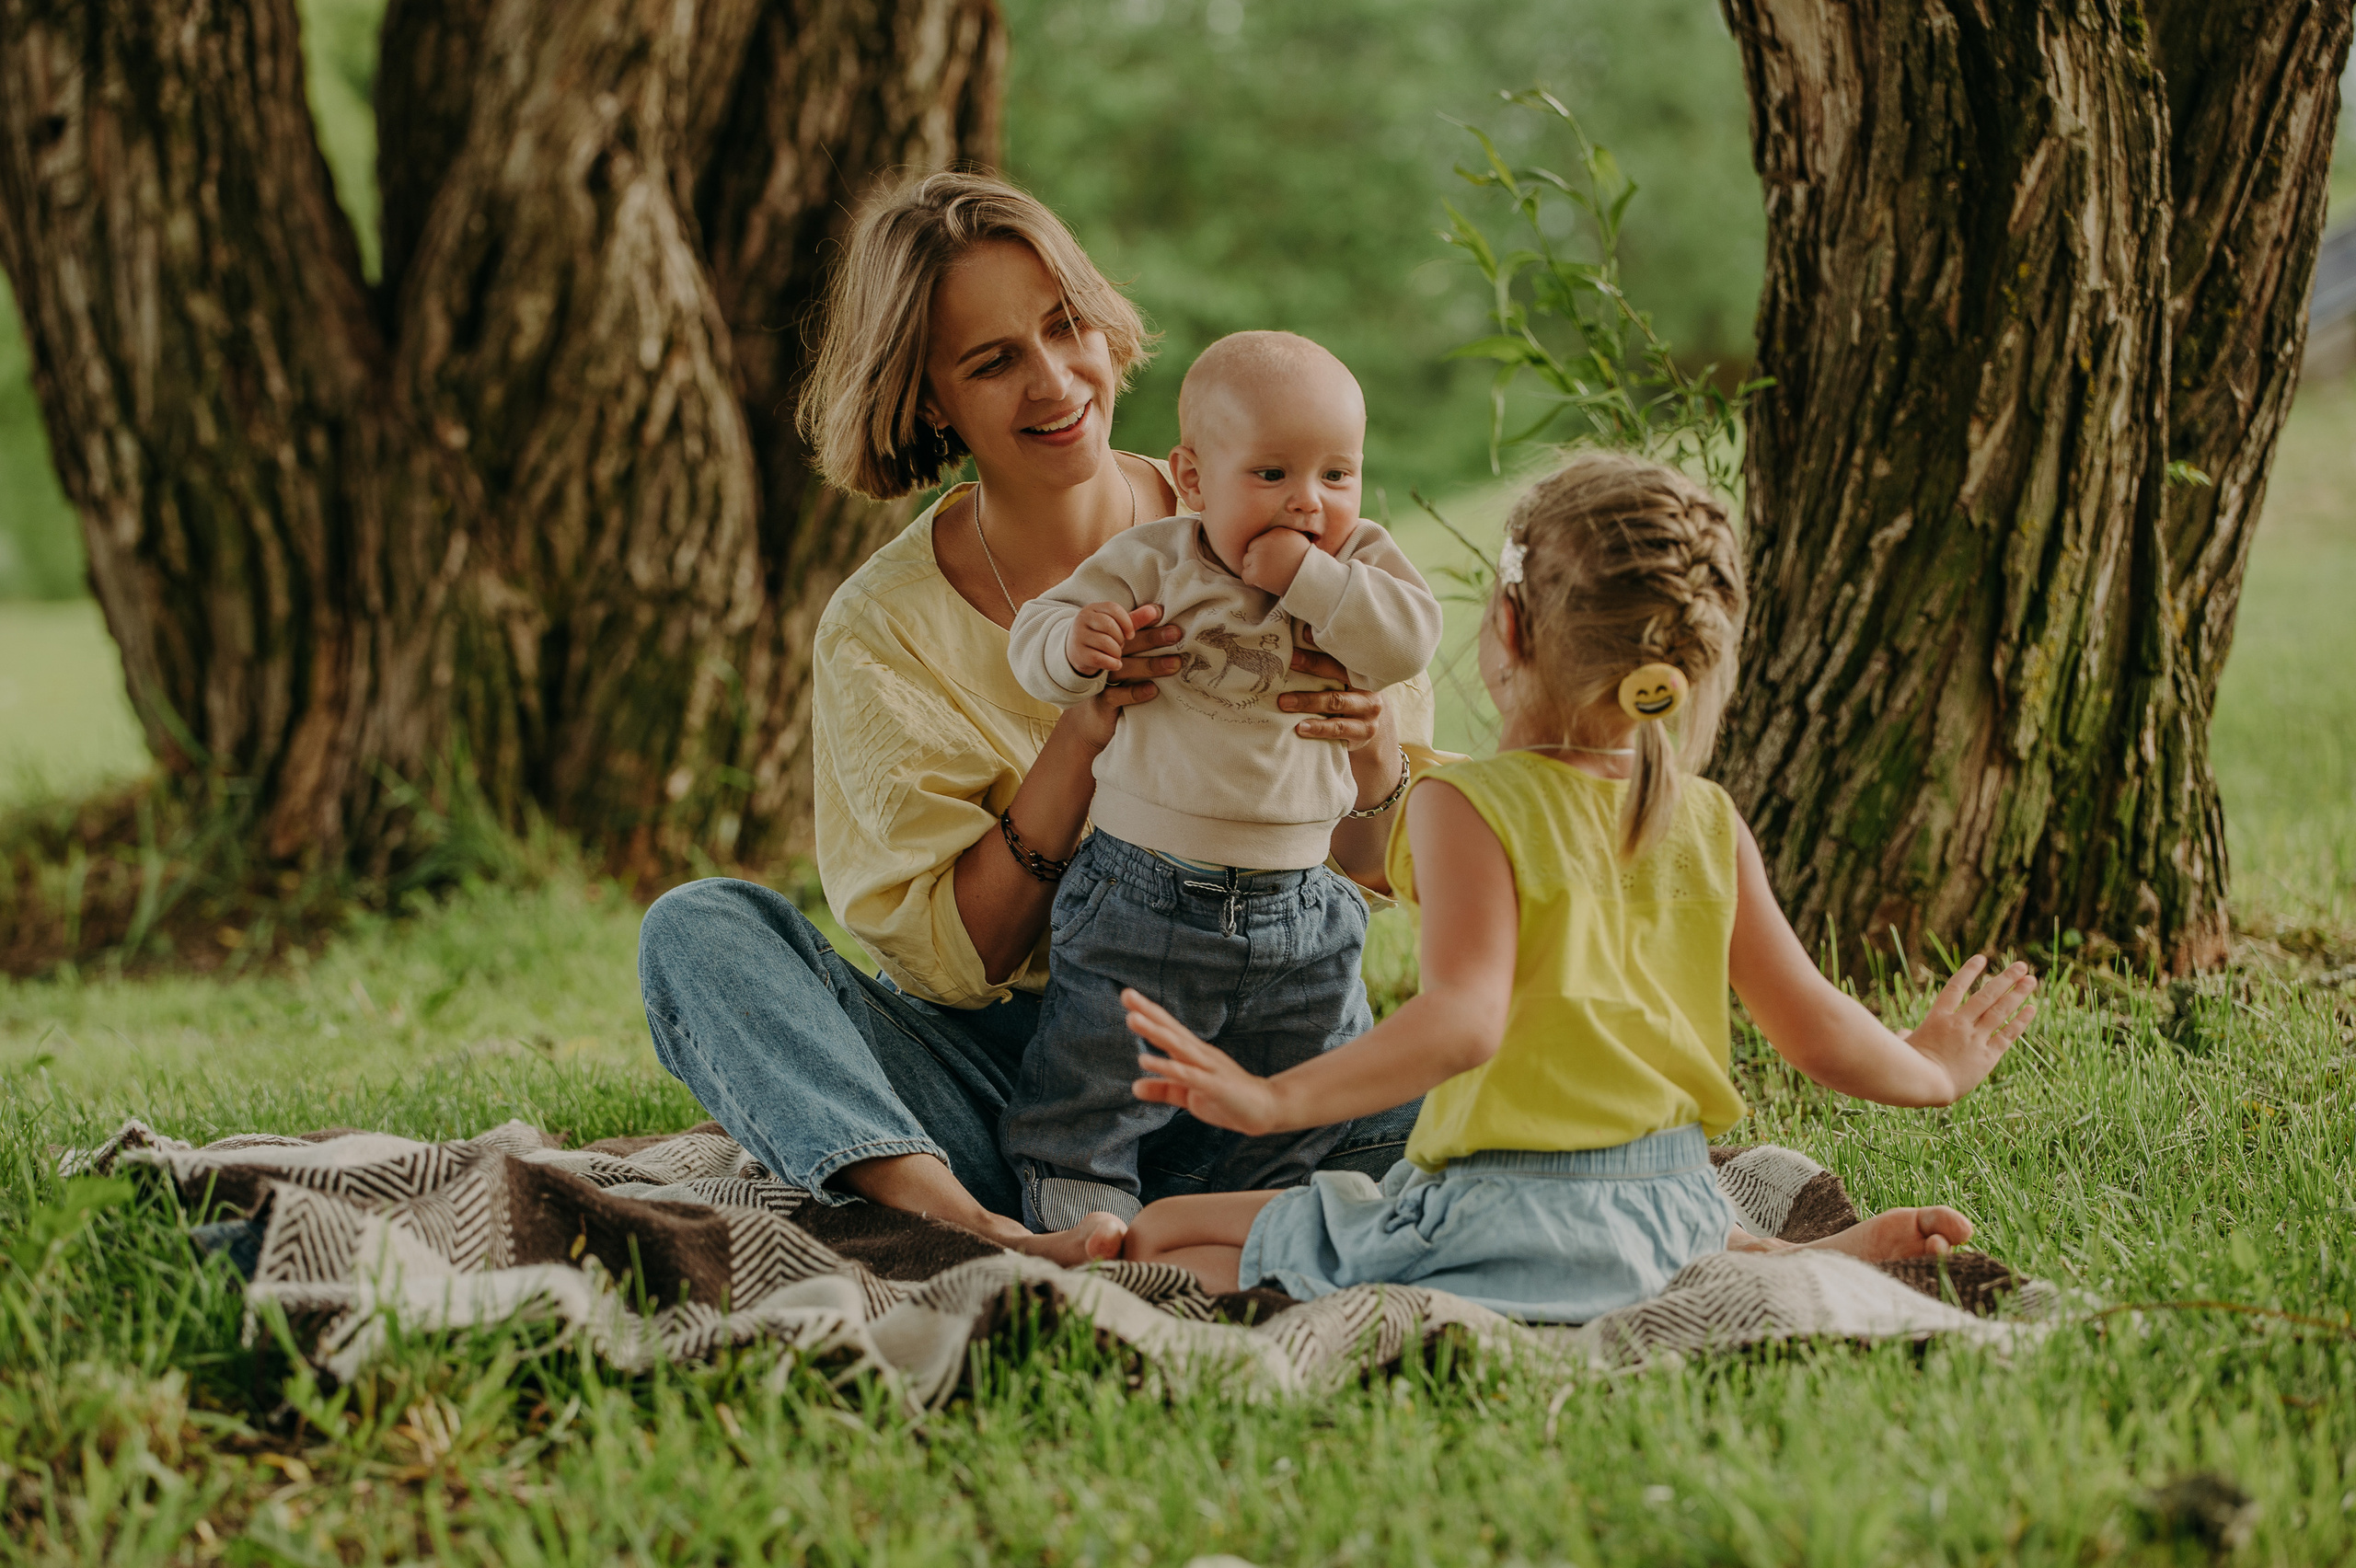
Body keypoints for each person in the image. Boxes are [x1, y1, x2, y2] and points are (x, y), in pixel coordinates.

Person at [634, 171, 1439, 1266]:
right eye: (993, 359)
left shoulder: (1299, 531)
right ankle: (972, 1231)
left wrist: (1377, 753)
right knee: (698, 931)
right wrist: (1083, 733)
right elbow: (960, 965)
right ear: (929, 400)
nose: (1055, 380)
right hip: (1014, 1093)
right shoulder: (884, 626)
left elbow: (1372, 875)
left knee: (1514, 1032)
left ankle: (1252, 1207)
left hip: (1268, 1069)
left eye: (1067, 329)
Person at [1113, 452, 2040, 1317]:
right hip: (1677, 1208)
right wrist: (1929, 1069)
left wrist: (1277, 1100)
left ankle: (1736, 1263)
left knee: (1162, 1235)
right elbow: (1811, 1024)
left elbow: (1462, 1018)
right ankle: (1778, 1259)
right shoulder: (1705, 819)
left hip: (1501, 1215)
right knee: (1266, 1222)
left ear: (1508, 625)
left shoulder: (1468, 801)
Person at [999, 332, 1445, 1231]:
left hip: (1304, 910)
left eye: (1336, 474)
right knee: (1100, 1079)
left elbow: (1409, 639)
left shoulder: (1355, 562)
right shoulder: (1155, 559)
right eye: (1272, 474)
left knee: (1297, 1097)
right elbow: (1035, 635)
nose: (1309, 503)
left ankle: (1250, 1225)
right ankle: (1082, 1212)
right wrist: (1072, 643)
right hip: (1141, 898)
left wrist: (1312, 582)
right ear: (1194, 479)